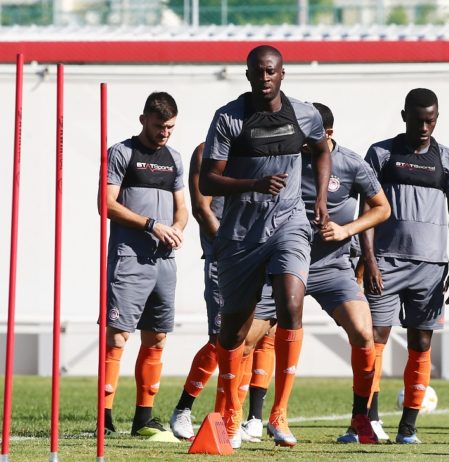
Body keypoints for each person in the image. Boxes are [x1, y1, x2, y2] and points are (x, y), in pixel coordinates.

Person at [199, 45, 331, 448]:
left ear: (282, 73)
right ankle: (230, 413)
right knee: (234, 330)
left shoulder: (304, 114)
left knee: (291, 303)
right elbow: (207, 180)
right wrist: (254, 184)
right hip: (241, 234)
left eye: (271, 71)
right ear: (248, 75)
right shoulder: (229, 118)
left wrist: (320, 198)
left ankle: (279, 413)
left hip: (289, 224)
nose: (264, 78)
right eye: (257, 72)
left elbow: (322, 149)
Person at [360, 88, 449, 444]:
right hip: (385, 264)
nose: (424, 127)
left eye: (430, 121)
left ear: (436, 119)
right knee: (373, 340)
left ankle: (408, 427)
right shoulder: (381, 154)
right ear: (404, 116)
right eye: (418, 120)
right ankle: (368, 421)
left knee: (420, 343)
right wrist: (369, 261)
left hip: (431, 268)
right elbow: (366, 212)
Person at [169, 143, 276, 442]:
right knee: (221, 340)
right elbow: (202, 208)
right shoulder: (206, 151)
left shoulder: (258, 150)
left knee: (247, 342)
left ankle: (230, 418)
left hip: (257, 257)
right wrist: (232, 249)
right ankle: (183, 408)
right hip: (224, 258)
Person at [99, 92, 188, 441]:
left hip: (164, 262)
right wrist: (152, 225)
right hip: (129, 258)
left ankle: (144, 419)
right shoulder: (121, 153)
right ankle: (104, 419)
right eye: (159, 126)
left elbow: (182, 208)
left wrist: (176, 228)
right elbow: (106, 204)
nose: (164, 133)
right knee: (118, 335)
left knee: (158, 336)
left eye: (170, 127)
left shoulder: (174, 158)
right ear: (143, 120)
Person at [301, 103, 391, 444]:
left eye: (309, 135)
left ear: (328, 134)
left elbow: (382, 208)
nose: (303, 142)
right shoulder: (288, 159)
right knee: (246, 337)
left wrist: (346, 230)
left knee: (364, 333)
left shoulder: (352, 163)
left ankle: (360, 422)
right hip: (288, 266)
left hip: (333, 268)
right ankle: (245, 420)